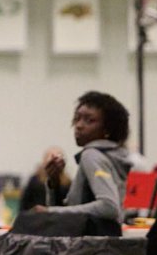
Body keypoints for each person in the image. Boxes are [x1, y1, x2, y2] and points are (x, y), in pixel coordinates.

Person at [39, 91, 131, 222]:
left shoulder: (92, 155)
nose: (79, 125)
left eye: (90, 120)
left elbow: (109, 207)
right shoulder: (111, 156)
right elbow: (69, 213)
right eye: (77, 119)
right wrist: (54, 182)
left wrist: (50, 211)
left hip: (92, 241)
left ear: (108, 129)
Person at [19, 146, 70, 212]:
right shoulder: (34, 181)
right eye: (51, 158)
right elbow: (24, 205)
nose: (54, 162)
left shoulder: (68, 183)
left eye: (57, 158)